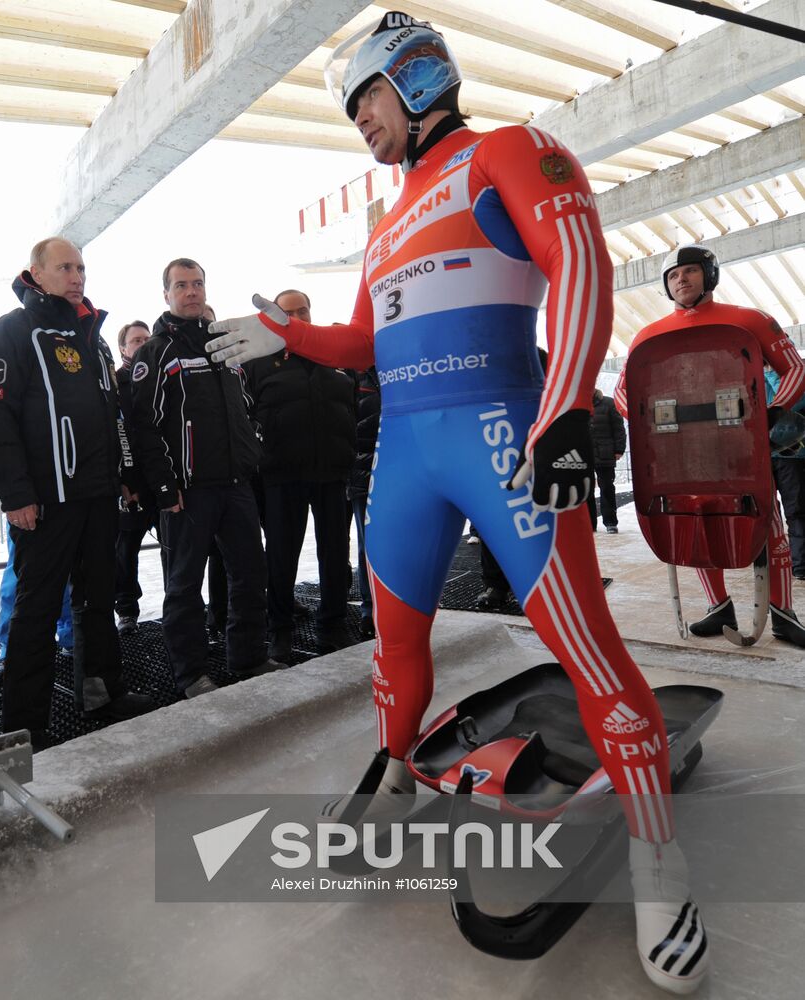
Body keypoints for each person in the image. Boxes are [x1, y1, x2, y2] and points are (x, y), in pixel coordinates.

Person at [206, 14, 707, 992]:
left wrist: (561, 404)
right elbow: (363, 341)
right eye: (350, 109)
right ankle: (396, 774)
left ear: (419, 79)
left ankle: (657, 858)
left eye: (369, 99)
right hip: (405, 457)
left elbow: (580, 266)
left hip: (499, 439)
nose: (361, 121)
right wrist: (288, 337)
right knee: (393, 648)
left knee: (584, 648)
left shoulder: (509, 151)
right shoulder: (384, 222)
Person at [0, 237, 155, 743]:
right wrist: (15, 495)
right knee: (36, 609)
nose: (77, 276)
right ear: (36, 272)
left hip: (97, 494)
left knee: (97, 600)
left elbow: (110, 413)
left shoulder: (91, 336)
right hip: (45, 500)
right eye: (65, 268)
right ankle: (25, 723)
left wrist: (125, 472)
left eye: (81, 267)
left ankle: (102, 692)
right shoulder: (10, 332)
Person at [613, 244, 805, 648]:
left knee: (768, 525)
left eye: (689, 271)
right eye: (672, 275)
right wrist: (646, 426)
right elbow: (622, 393)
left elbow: (794, 370)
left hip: (742, 450)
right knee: (694, 522)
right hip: (683, 453)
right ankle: (719, 606)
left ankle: (783, 613)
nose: (680, 279)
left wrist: (773, 410)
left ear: (709, 274)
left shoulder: (750, 320)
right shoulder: (649, 335)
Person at [128, 258, 285, 699]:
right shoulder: (156, 352)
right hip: (187, 492)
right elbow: (143, 425)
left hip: (235, 485)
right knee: (184, 586)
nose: (192, 292)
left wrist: (251, 452)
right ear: (167, 294)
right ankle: (191, 673)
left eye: (197, 284)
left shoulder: (225, 345)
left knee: (251, 574)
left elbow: (248, 407)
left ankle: (249, 656)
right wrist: (164, 486)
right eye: (182, 285)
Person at [243, 289, 356, 659]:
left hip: (332, 472)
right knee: (281, 556)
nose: (296, 318)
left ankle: (333, 624)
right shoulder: (258, 362)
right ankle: (280, 631)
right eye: (288, 312)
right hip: (282, 475)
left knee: (336, 555)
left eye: (302, 311)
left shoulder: (336, 358)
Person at [0, 446, 73, 680]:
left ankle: (72, 637)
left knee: (70, 570)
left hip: (69, 488)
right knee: (20, 574)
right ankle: (11, 649)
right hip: (26, 492)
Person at [113, 319, 157, 635]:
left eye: (147, 338)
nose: (143, 343)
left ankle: (180, 606)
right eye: (136, 340)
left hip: (165, 480)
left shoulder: (162, 375)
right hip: (132, 481)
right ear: (124, 348)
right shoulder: (116, 384)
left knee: (176, 548)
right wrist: (125, 479)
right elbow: (114, 433)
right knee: (125, 551)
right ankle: (127, 611)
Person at [766, 366, 805, 581]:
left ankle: (800, 565)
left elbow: (793, 403)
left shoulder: (796, 376)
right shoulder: (748, 373)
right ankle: (769, 563)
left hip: (790, 456)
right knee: (765, 513)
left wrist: (772, 373)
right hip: (761, 456)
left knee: (796, 510)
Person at [350, 367, 380, 637]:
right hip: (363, 472)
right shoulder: (352, 373)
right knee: (367, 547)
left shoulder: (401, 367)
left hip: (402, 472)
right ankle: (370, 609)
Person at [589, 387, 626, 533]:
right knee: (587, 491)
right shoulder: (577, 404)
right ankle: (590, 525)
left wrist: (619, 450)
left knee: (607, 489)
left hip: (605, 454)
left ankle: (611, 522)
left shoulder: (609, 403)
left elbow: (619, 429)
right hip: (585, 455)